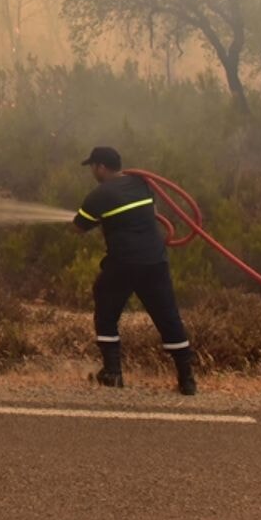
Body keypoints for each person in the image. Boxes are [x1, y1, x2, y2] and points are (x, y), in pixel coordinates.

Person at [72, 146, 196, 395]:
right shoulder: (141, 184)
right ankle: (187, 380)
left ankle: (113, 373)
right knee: (168, 317)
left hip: (124, 263)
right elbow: (148, 213)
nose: (92, 173)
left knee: (106, 307)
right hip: (155, 261)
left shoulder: (99, 195)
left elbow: (78, 227)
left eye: (93, 167)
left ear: (101, 167)